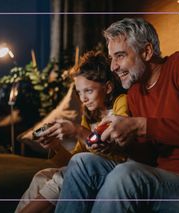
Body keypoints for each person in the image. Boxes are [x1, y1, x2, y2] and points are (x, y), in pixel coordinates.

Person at [55, 18, 179, 213]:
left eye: (120, 56)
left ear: (146, 51)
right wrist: (119, 144)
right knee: (82, 162)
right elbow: (148, 156)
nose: (113, 67)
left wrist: (141, 125)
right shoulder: (136, 92)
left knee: (127, 174)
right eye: (112, 58)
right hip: (162, 179)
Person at [15, 51, 129, 213]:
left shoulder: (120, 103)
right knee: (42, 176)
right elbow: (73, 161)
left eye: (88, 91)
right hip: (87, 169)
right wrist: (55, 147)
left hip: (114, 168)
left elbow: (117, 150)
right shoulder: (90, 115)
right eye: (79, 92)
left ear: (108, 87)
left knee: (62, 178)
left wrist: (77, 131)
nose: (83, 98)